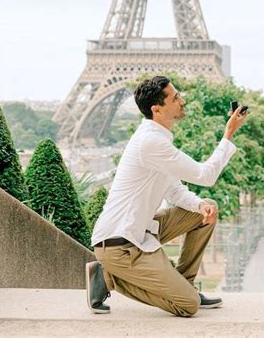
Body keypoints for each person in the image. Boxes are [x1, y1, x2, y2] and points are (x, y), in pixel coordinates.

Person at [85, 75, 247, 317]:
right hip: (119, 245)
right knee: (187, 305)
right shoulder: (150, 142)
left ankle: (184, 284)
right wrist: (228, 135)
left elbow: (174, 189)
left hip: (139, 230)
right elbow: (205, 175)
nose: (182, 101)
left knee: (206, 208)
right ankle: (108, 276)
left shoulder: (157, 139)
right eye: (176, 98)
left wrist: (199, 204)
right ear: (157, 110)